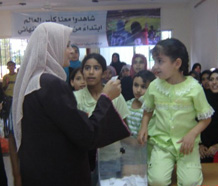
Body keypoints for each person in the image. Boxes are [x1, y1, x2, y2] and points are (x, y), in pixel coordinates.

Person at [11, 22, 130, 186]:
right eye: (66, 45)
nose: (71, 51)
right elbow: (86, 135)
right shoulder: (50, 84)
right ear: (51, 46)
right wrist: (106, 98)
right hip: (59, 175)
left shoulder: (35, 82)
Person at [137, 38, 213, 186]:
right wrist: (144, 126)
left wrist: (192, 134)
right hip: (162, 143)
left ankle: (188, 167)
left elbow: (206, 118)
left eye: (160, 61)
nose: (155, 67)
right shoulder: (154, 86)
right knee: (157, 182)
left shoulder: (194, 88)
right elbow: (148, 110)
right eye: (154, 61)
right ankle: (164, 164)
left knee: (190, 182)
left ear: (177, 63)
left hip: (187, 145)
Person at [73, 53, 129, 181]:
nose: (91, 72)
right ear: (82, 72)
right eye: (87, 68)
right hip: (85, 160)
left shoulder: (116, 96)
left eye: (96, 68)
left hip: (112, 157)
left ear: (104, 73)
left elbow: (124, 128)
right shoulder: (75, 98)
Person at [121, 70, 155, 177]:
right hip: (128, 152)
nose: (138, 90)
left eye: (144, 87)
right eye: (136, 85)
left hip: (146, 152)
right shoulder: (126, 105)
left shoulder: (151, 109)